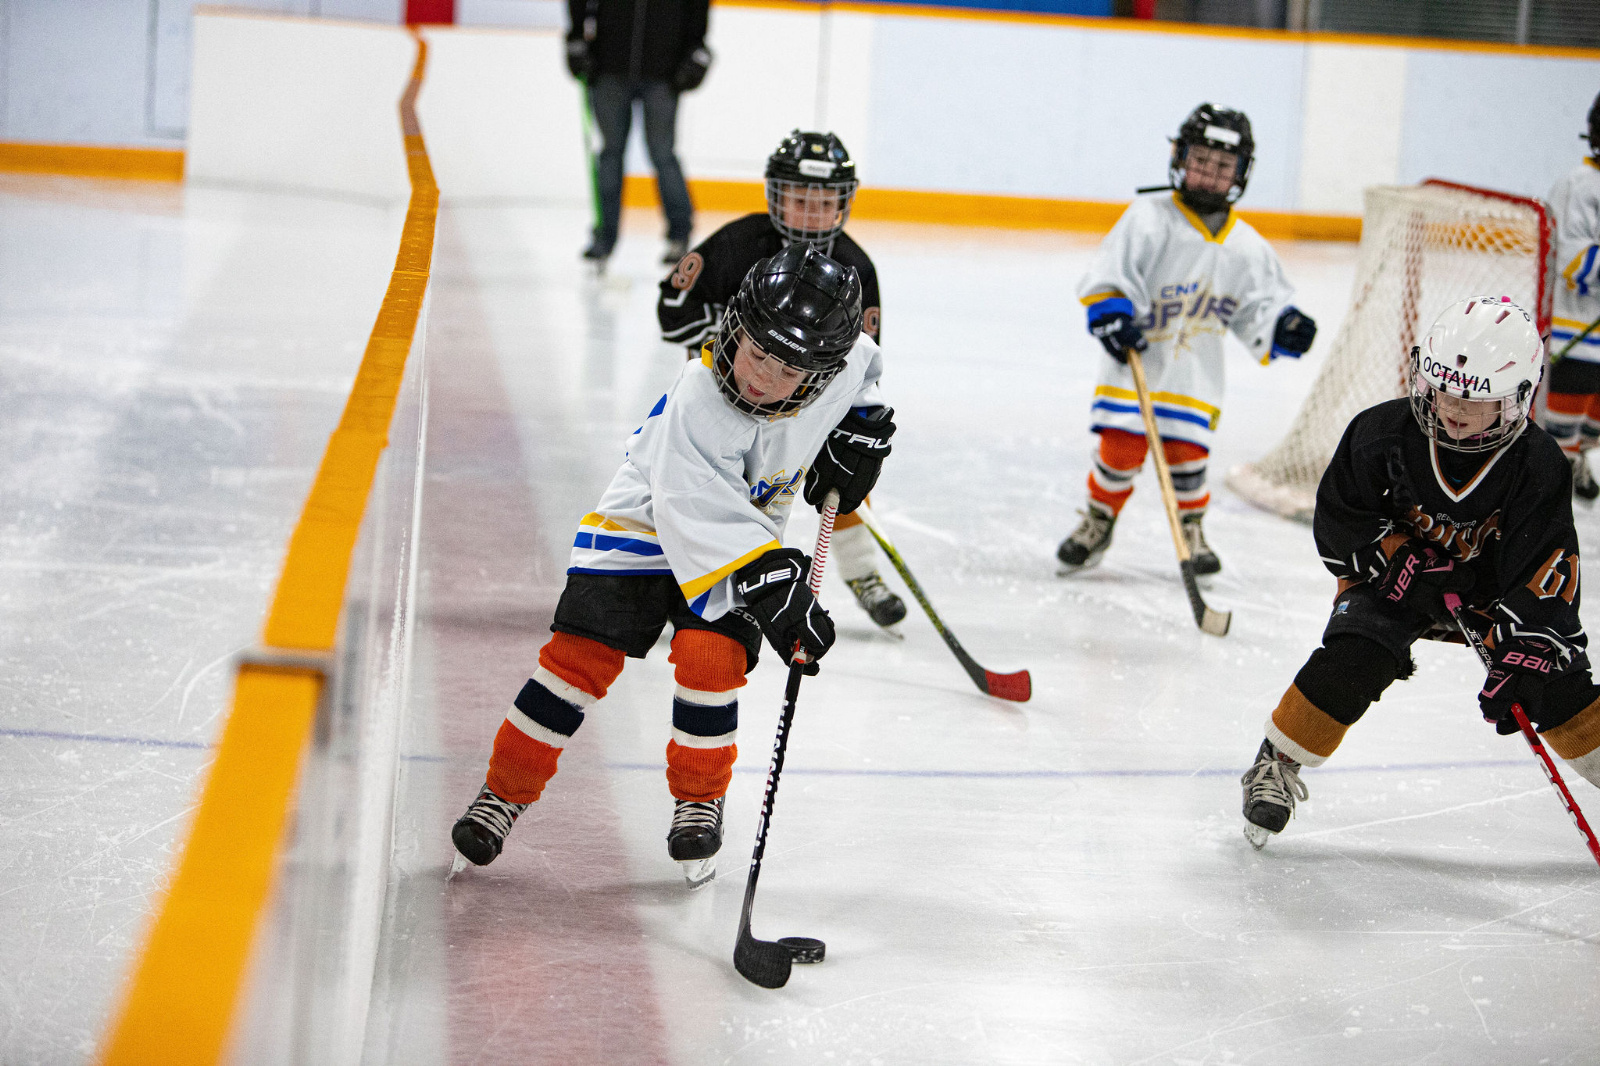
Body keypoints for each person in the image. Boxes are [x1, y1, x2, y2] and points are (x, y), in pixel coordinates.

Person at [451, 244, 896, 886]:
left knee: (712, 660)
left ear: (822, 373)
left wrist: (862, 429)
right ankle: (502, 794)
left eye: (787, 370)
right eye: (757, 354)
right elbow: (696, 511)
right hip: (646, 522)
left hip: (742, 539)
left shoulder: (843, 362)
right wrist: (775, 583)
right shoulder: (700, 397)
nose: (762, 378)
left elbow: (867, 372)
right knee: (578, 660)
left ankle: (698, 802)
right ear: (737, 327)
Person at [1239, 296, 1600, 849]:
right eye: (1443, 389)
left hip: (1490, 596)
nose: (1452, 408)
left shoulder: (1538, 464)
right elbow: (1339, 518)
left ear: (1517, 398)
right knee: (1357, 653)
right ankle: (1278, 759)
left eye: (1474, 399)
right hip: (1397, 582)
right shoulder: (1381, 433)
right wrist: (1394, 553)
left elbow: (1545, 565)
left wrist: (1529, 647)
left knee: (1555, 684)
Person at [658, 129, 905, 630]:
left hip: (804, 403)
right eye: (800, 199)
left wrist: (848, 424)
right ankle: (673, 577)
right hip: (724, 404)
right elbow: (672, 308)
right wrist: (733, 337)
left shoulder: (856, 268)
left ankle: (863, 572)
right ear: (776, 195)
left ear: (843, 203)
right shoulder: (736, 243)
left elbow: (860, 363)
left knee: (842, 477)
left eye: (825, 202)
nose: (812, 214)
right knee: (694, 487)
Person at [1059, 104, 1317, 575]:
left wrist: (1284, 326)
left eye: (1223, 165)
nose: (1209, 173)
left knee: (1187, 456)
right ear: (1179, 157)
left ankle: (1192, 529)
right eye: (1200, 160)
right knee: (1120, 448)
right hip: (1136, 362)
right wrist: (1111, 313)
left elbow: (1257, 308)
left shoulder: (1247, 247)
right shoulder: (1147, 219)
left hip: (1193, 372)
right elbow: (1111, 275)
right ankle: (1098, 519)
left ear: (1241, 172)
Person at [564, 0, 713, 267]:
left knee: (662, 153)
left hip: (664, 71)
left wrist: (696, 49)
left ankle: (680, 234)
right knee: (611, 153)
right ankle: (604, 236)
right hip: (609, 65)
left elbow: (698, 6)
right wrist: (576, 39)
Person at [1536, 90, 1600, 501]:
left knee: (1592, 427)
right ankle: (1548, 497)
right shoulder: (1580, 186)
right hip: (1575, 336)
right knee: (1558, 439)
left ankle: (1579, 459)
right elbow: (1576, 264)